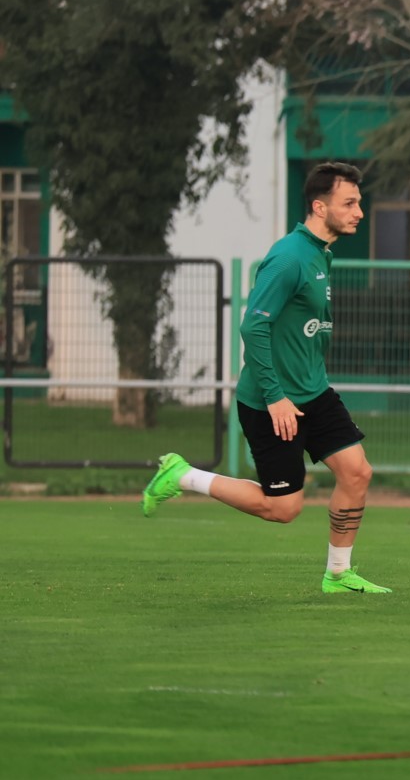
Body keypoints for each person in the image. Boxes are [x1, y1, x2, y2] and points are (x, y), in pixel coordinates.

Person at [140, 162, 391, 594]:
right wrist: (275, 396)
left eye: (359, 203)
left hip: (312, 391)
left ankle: (338, 574)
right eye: (349, 203)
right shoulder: (289, 258)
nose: (359, 212)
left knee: (356, 472)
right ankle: (182, 475)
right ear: (319, 206)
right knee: (283, 509)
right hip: (271, 400)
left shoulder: (319, 253)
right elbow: (252, 326)